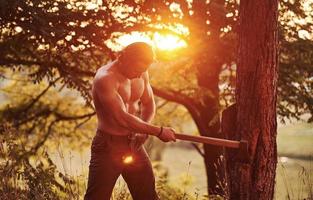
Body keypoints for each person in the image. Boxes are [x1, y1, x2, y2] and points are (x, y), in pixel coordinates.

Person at [84, 42, 177, 200]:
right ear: (124, 58)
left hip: (133, 143)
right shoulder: (106, 78)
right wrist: (158, 131)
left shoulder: (141, 73)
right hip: (108, 145)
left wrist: (143, 131)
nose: (140, 75)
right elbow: (122, 118)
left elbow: (148, 103)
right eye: (137, 70)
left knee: (148, 196)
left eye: (144, 71)